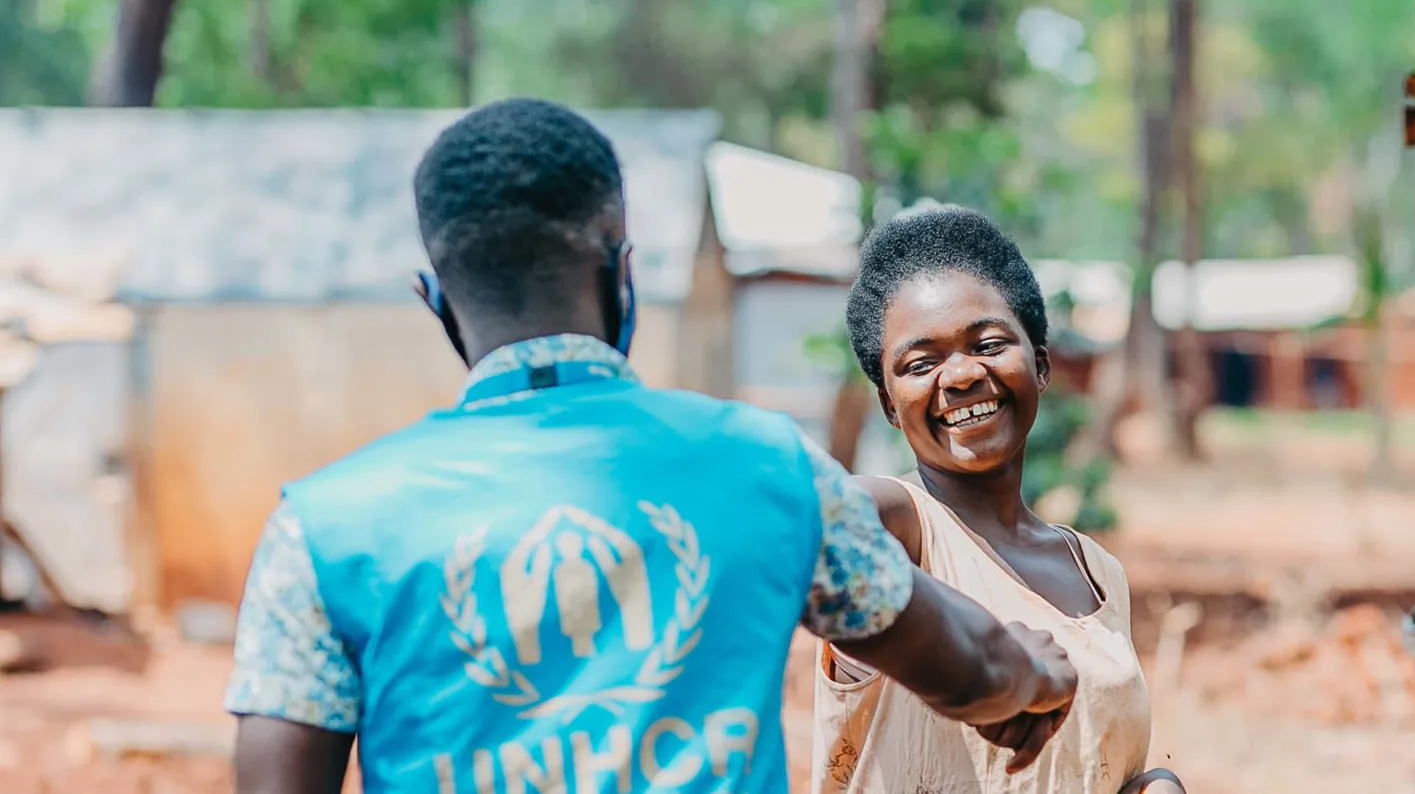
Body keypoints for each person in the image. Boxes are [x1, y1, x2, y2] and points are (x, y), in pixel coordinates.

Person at [223, 99, 1077, 794]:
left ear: (435, 298)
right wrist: (1035, 681)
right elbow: (966, 663)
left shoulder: (320, 530)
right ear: (621, 270)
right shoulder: (769, 471)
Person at [810, 205, 1183, 794]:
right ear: (889, 405)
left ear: (1038, 365)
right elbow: (815, 524)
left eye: (987, 344)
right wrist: (982, 668)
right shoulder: (901, 529)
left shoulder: (1096, 571)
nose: (959, 375)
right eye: (921, 363)